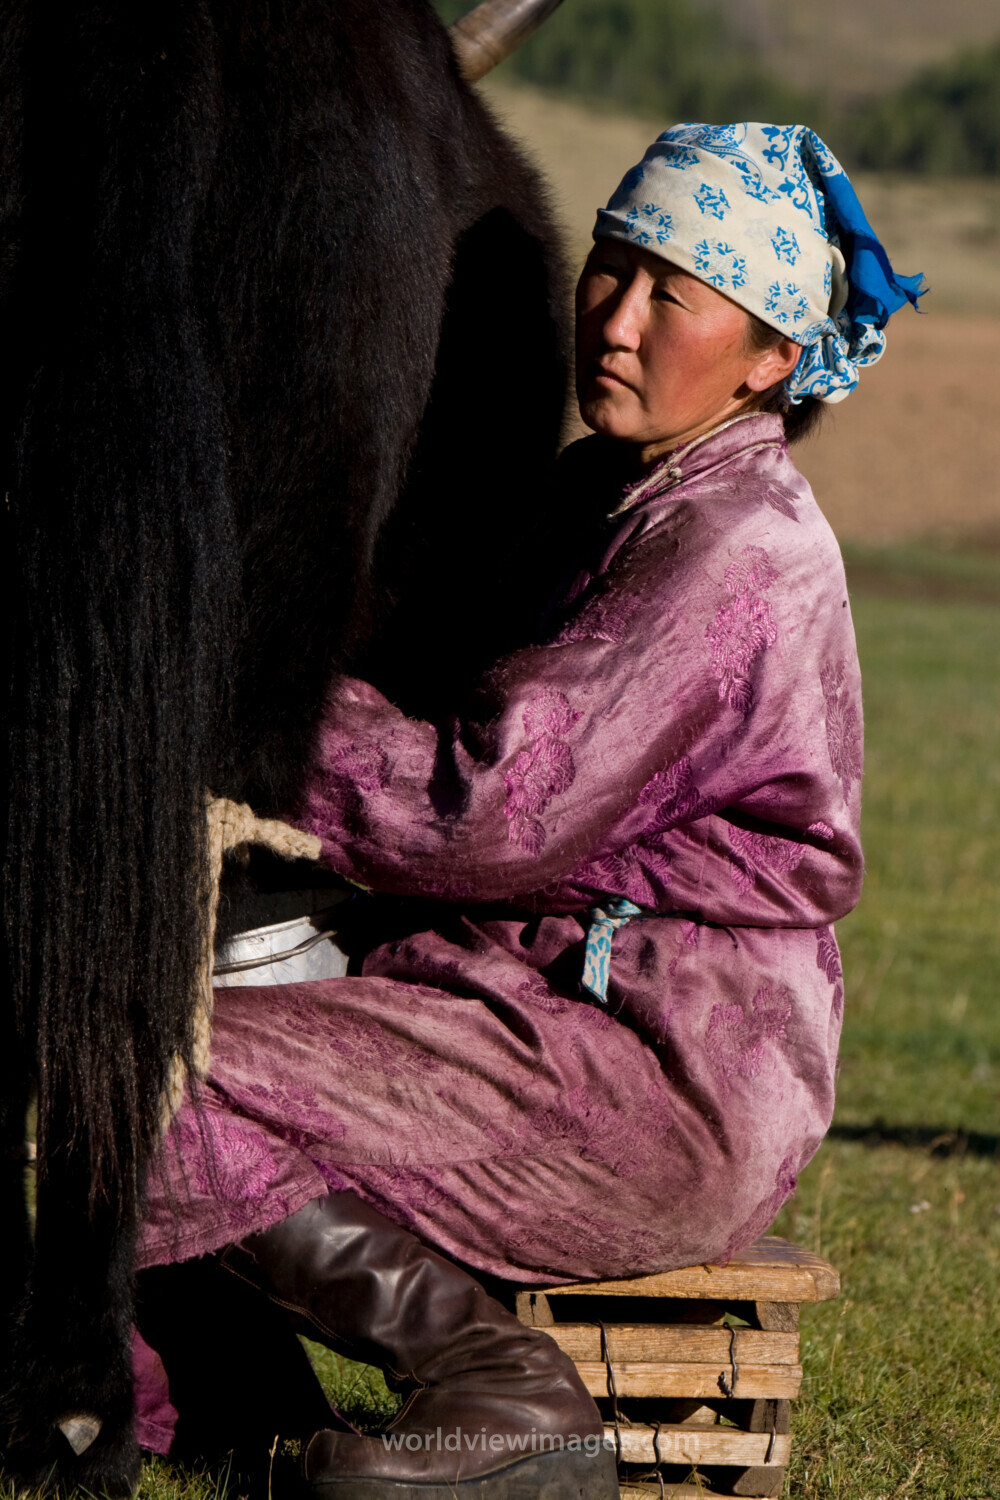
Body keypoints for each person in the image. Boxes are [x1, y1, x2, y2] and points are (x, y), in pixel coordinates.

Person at [134, 123, 923, 1498]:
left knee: (149, 1073)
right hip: (537, 1015)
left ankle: (501, 1390)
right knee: (126, 1030)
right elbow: (425, 681)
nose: (614, 320)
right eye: (611, 269)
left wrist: (246, 712)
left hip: (655, 1078)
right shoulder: (601, 497)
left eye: (673, 293)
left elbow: (487, 806)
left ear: (769, 358)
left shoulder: (734, 549)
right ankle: (230, 1411)